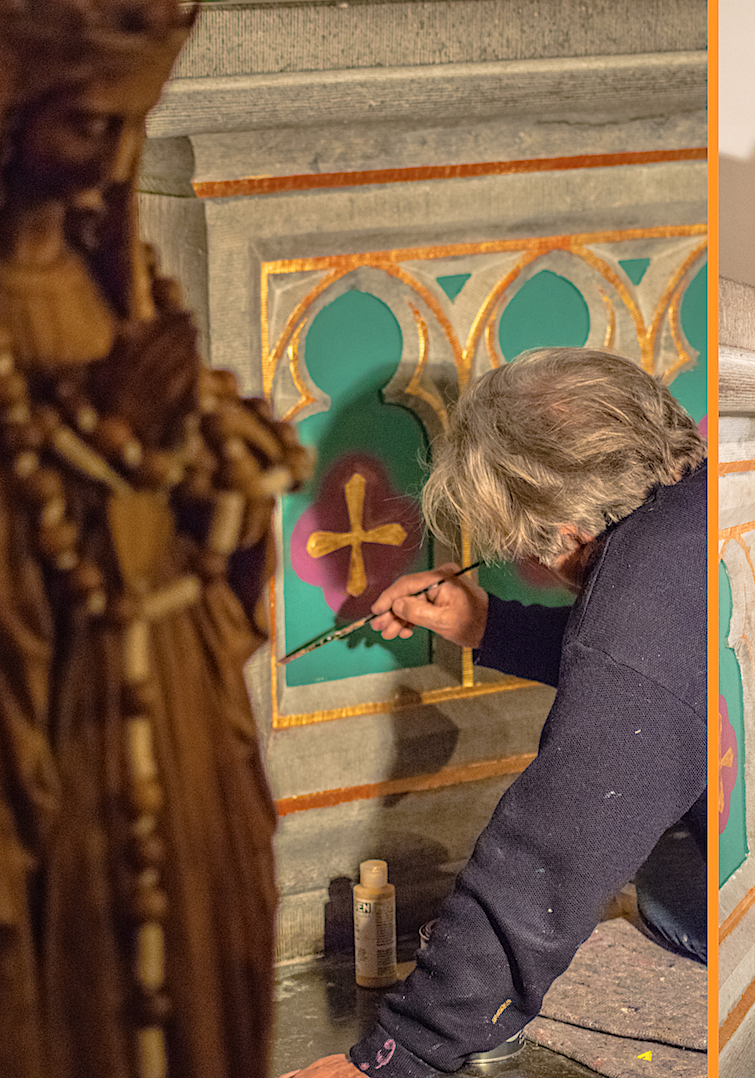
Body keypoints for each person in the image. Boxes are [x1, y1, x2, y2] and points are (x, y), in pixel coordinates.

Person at [0, 2, 310, 1076]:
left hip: (170, 703)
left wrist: (206, 461)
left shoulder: (102, 274)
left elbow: (154, 487)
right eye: (88, 124)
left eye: (134, 123)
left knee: (196, 985)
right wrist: (126, 432)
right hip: (64, 731)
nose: (117, 158)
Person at [284, 347, 708, 1077]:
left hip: (746, 909)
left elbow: (547, 860)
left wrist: (398, 1055)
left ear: (567, 531)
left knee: (665, 892)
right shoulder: (696, 506)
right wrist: (487, 624)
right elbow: (668, 675)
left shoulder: (636, 611)